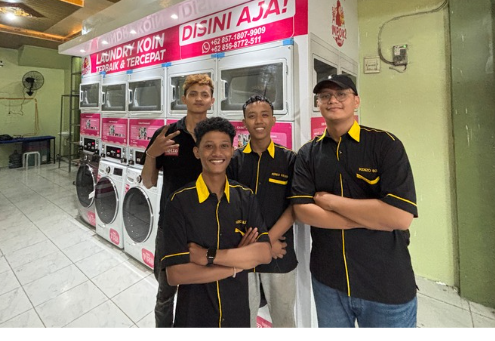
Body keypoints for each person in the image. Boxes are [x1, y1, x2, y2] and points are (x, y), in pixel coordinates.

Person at [290, 74, 418, 328]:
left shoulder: (385, 145)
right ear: (318, 104)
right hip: (329, 281)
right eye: (325, 96)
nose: (332, 100)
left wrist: (331, 202)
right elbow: (302, 211)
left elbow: (399, 217)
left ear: (356, 101)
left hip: (385, 284)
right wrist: (371, 219)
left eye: (341, 94)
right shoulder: (308, 153)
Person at [161, 117, 272, 327]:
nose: (217, 153)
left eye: (224, 146)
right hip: (194, 317)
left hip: (236, 313)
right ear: (197, 152)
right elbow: (176, 274)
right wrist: (236, 266)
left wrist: (207, 256)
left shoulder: (245, 197)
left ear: (232, 150)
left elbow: (264, 253)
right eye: (209, 146)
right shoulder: (179, 202)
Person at [140, 73, 215, 327]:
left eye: (204, 94)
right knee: (165, 293)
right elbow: (148, 182)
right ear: (183, 98)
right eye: (193, 94)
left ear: (212, 100)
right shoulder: (167, 134)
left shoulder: (216, 135)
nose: (198, 99)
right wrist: (152, 154)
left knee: (202, 291)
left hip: (207, 225)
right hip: (171, 226)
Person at [227, 95, 297, 327]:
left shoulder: (289, 160)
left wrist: (267, 242)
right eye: (252, 116)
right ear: (244, 122)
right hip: (243, 251)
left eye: (265, 115)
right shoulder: (234, 161)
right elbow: (228, 208)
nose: (259, 121)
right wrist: (259, 246)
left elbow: (295, 207)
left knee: (284, 321)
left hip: (279, 253)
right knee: (242, 320)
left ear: (273, 120)